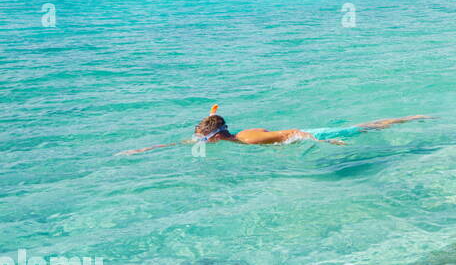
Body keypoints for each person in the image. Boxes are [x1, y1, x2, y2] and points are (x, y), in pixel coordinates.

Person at [119, 105, 432, 155]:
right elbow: (181, 141)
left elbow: (293, 131)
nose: (199, 142)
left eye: (204, 138)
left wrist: (327, 142)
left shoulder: (250, 139)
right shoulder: (219, 134)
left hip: (314, 133)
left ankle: (411, 118)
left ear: (217, 136)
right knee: (362, 126)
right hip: (290, 134)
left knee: (366, 128)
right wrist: (143, 150)